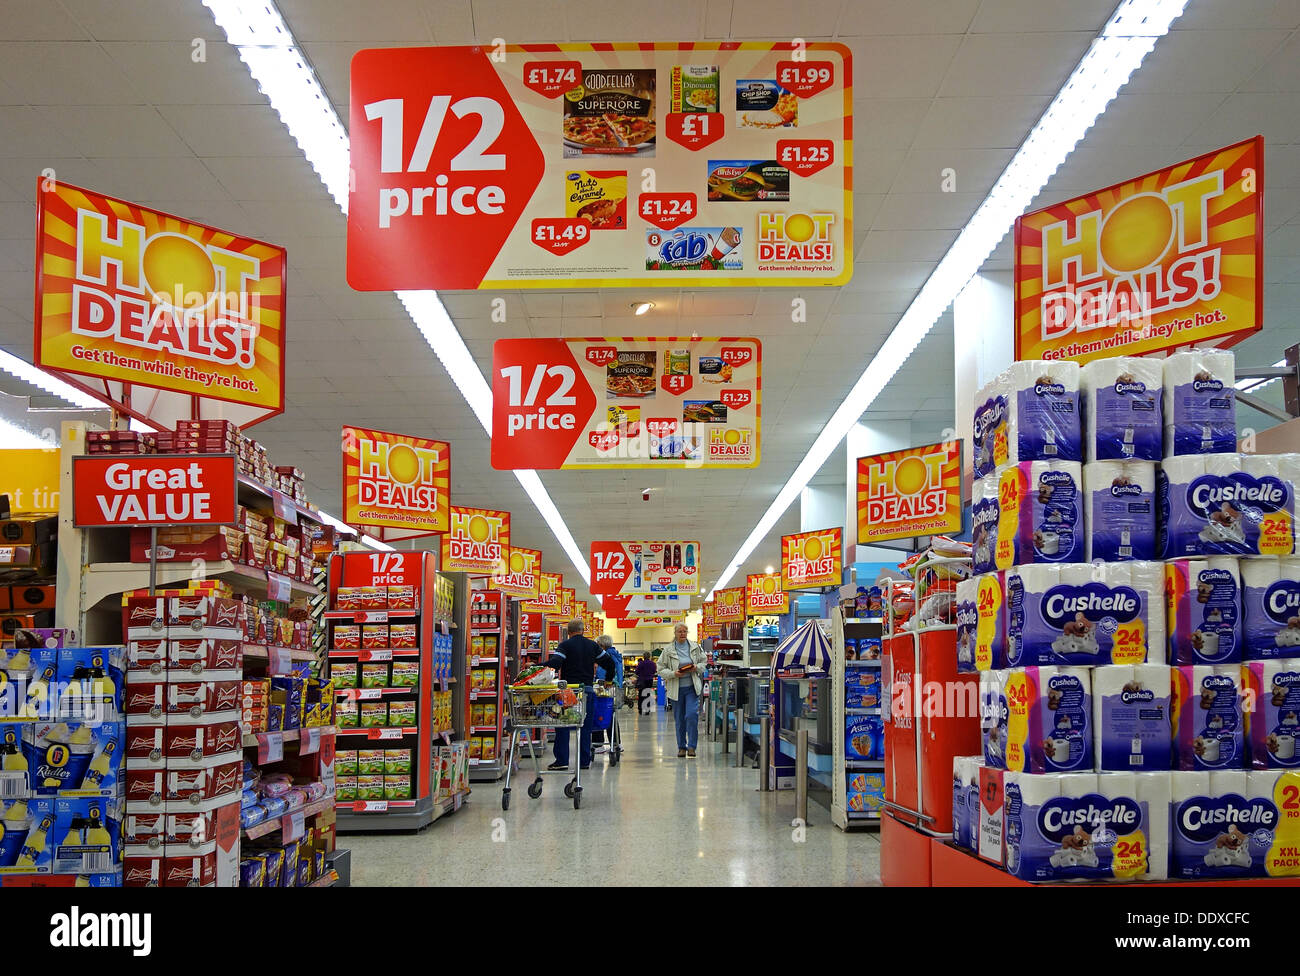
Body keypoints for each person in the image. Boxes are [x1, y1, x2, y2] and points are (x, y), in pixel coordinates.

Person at [546, 618, 619, 771]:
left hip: (568, 692)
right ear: (583, 630)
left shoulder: (564, 645)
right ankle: (584, 761)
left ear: (568, 632)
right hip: (587, 690)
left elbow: (555, 664)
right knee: (585, 726)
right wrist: (608, 680)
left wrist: (534, 666)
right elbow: (610, 663)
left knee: (563, 725)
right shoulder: (593, 645)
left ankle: (562, 761)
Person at [657, 622, 706, 758]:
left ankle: (692, 747)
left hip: (692, 688)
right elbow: (660, 668)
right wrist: (673, 674)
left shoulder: (695, 647)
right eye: (680, 632)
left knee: (691, 715)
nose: (683, 634)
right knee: (679, 719)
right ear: (675, 633)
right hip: (676, 689)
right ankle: (681, 747)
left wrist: (696, 667)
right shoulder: (668, 650)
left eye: (685, 631)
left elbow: (704, 662)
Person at [592, 634, 623, 752]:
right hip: (616, 689)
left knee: (599, 714)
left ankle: (598, 744)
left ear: (602, 646)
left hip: (605, 688)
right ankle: (616, 743)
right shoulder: (617, 655)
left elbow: (601, 674)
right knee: (612, 716)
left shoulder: (605, 656)